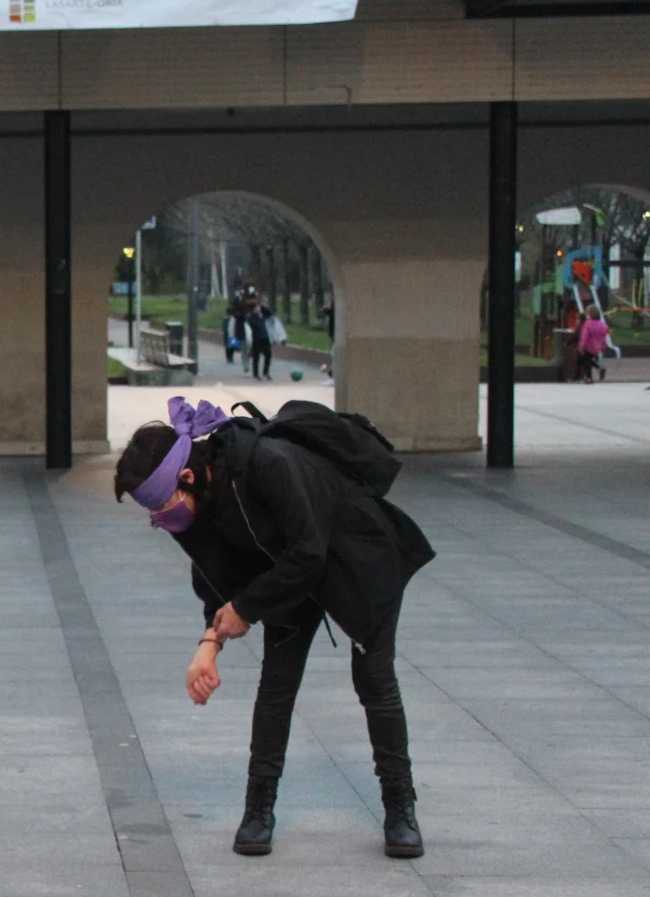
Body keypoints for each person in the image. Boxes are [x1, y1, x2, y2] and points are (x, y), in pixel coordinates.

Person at [113, 396, 436, 860]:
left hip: (354, 556)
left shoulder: (267, 464)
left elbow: (309, 552)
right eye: (154, 516)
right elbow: (214, 576)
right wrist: (209, 643)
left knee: (373, 680)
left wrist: (246, 608)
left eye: (161, 510)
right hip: (286, 575)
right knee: (277, 684)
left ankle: (400, 807)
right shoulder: (192, 510)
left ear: (188, 477)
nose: (160, 521)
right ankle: (258, 810)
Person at [241, 289, 274, 381]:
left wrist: (261, 305)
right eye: (257, 307)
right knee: (256, 357)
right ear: (254, 309)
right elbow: (254, 326)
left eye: (259, 307)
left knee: (268, 355)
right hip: (257, 339)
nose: (259, 308)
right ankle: (256, 374)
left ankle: (265, 372)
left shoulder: (262, 314)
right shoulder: (251, 318)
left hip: (265, 338)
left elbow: (269, 313)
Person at [577, 306, 611, 382]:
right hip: (597, 346)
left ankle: (588, 377)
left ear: (589, 314)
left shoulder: (587, 324)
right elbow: (604, 335)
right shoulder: (602, 324)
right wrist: (603, 345)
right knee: (587, 359)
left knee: (586, 361)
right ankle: (599, 368)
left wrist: (581, 346)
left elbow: (585, 336)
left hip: (588, 346)